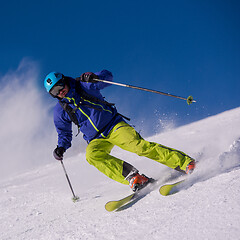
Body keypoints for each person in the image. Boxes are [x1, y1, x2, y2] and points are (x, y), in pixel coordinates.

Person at [44, 70, 195, 192]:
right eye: (55, 92)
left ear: (65, 80)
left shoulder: (83, 85)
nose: (60, 92)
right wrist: (61, 147)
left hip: (113, 125)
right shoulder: (60, 111)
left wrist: (95, 77)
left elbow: (107, 76)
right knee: (92, 155)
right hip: (96, 139)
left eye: (60, 86)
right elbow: (64, 133)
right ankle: (134, 177)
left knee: (138, 146)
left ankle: (185, 163)